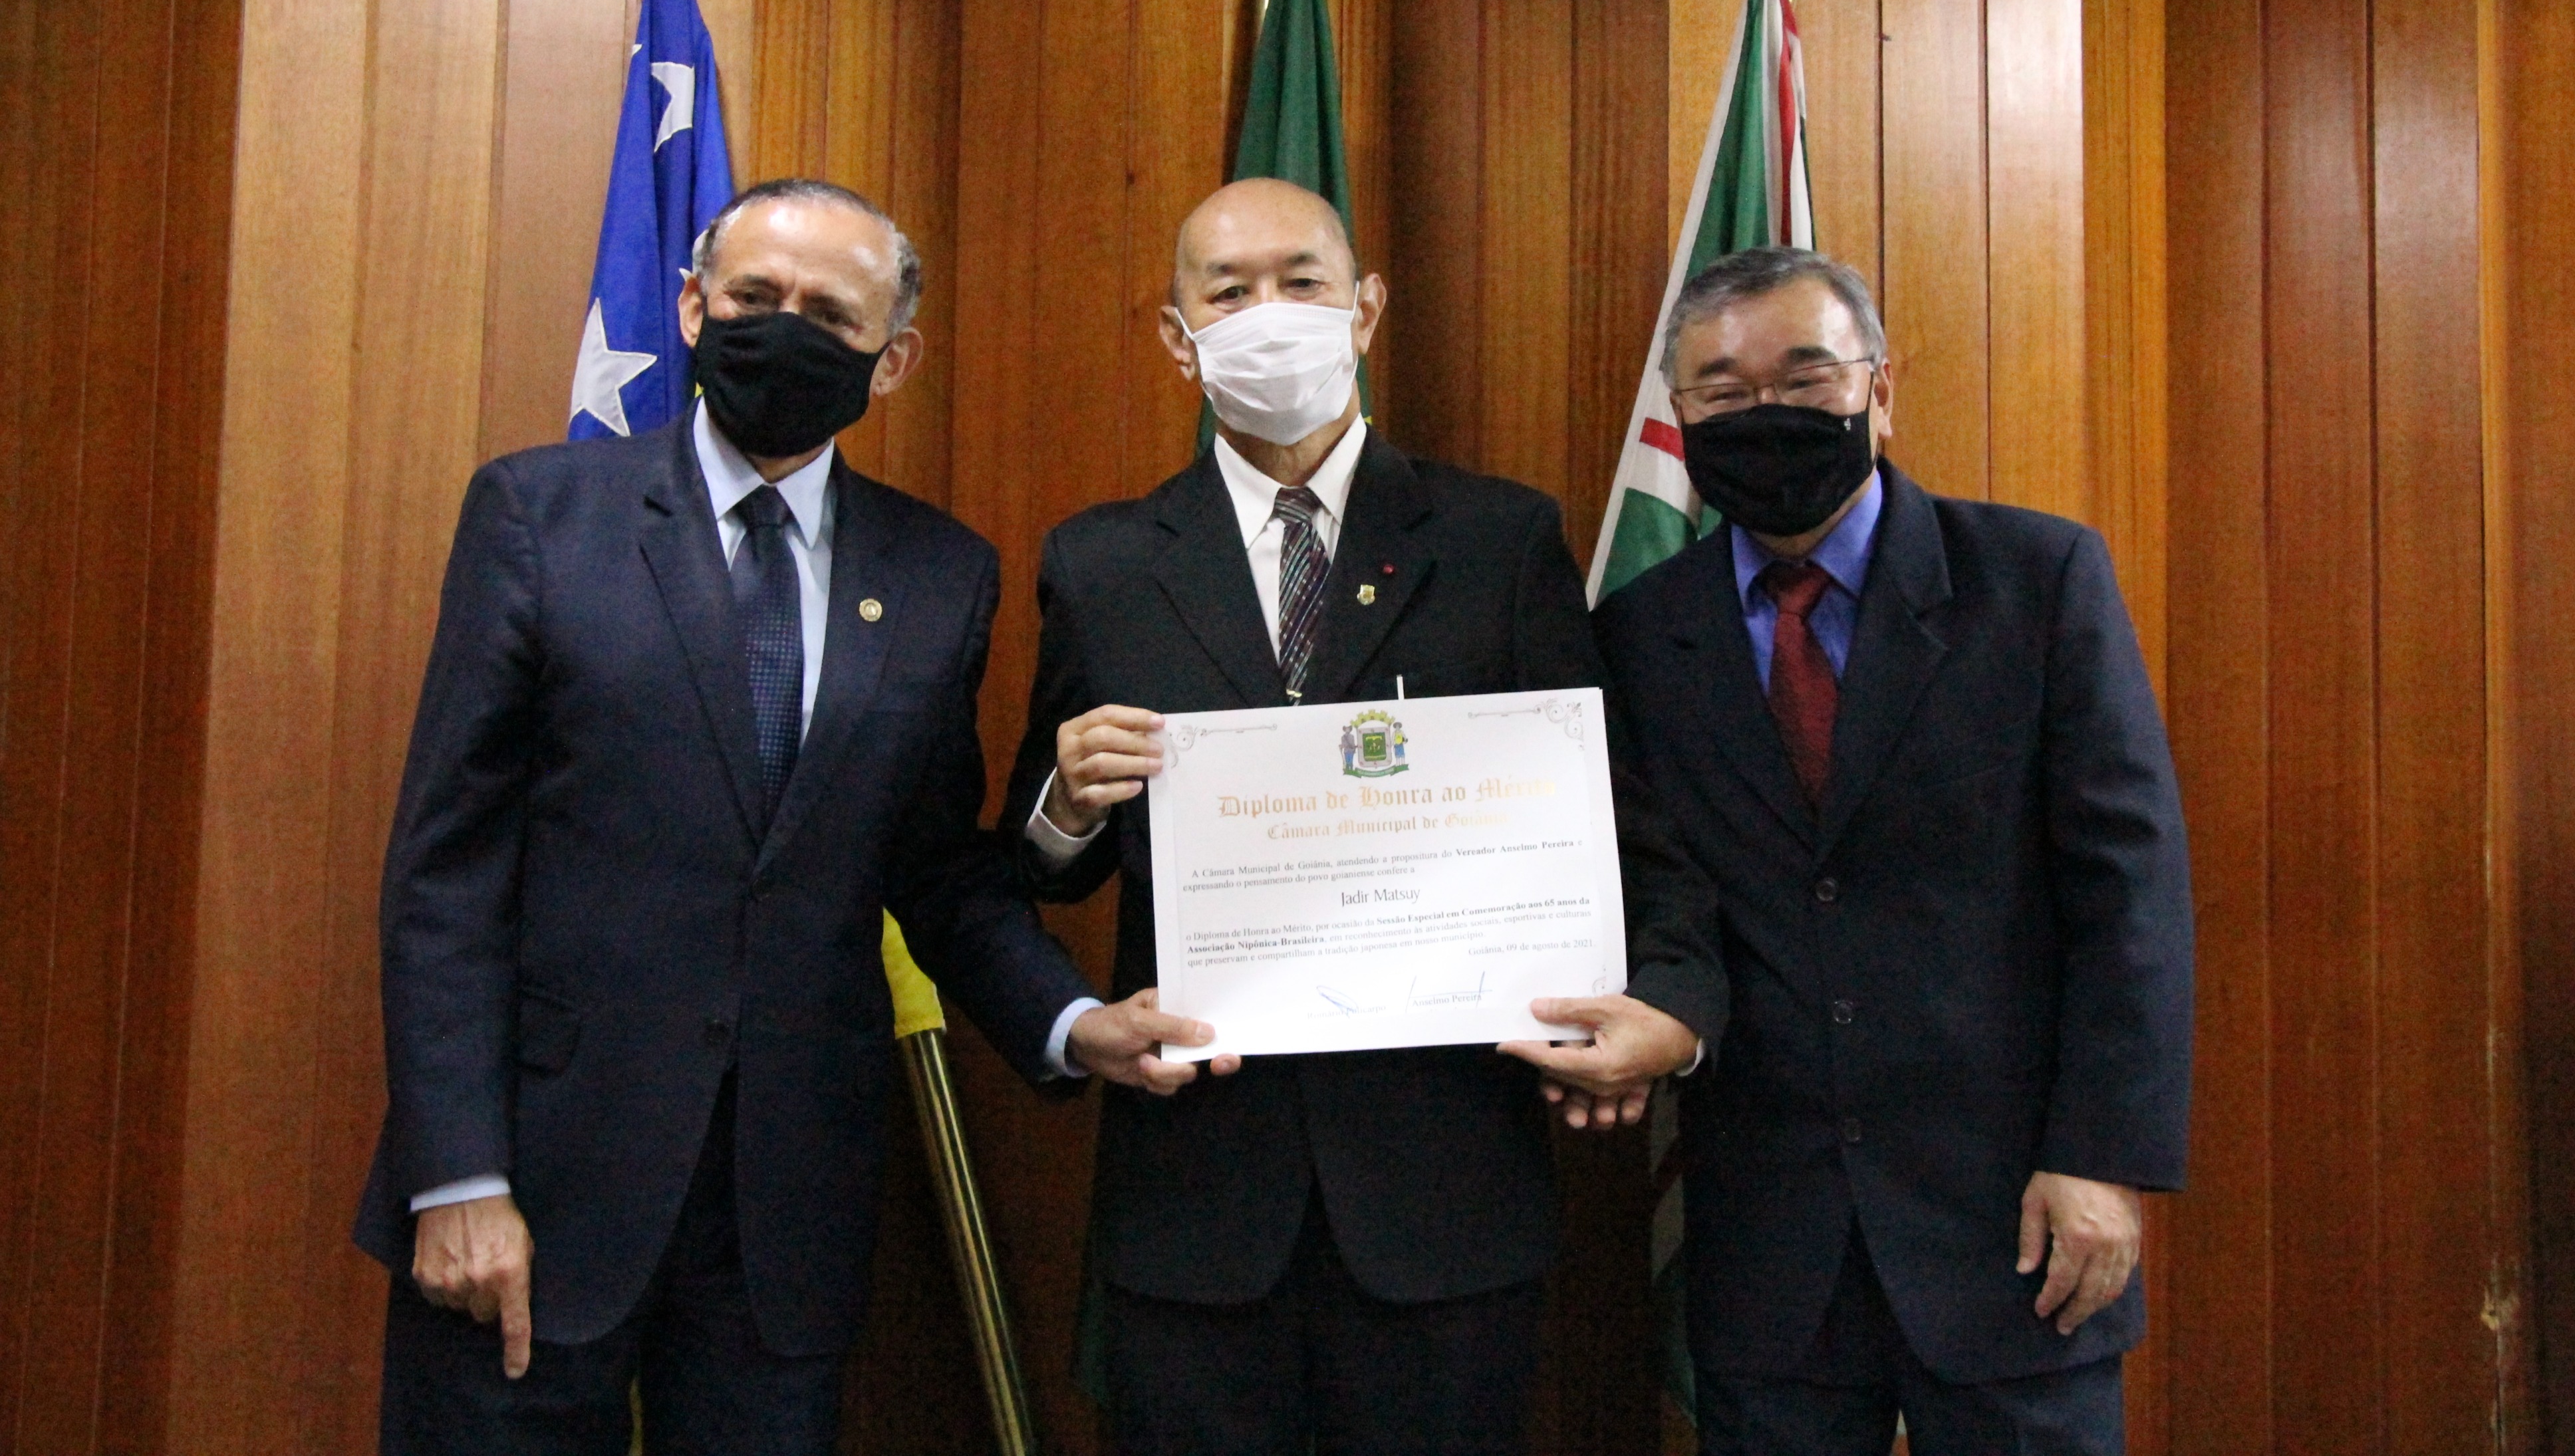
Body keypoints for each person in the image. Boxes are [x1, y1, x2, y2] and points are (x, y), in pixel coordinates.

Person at [354, 178, 1200, 1455]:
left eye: (830, 313)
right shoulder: (540, 516)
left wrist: (1072, 1022)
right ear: (694, 308)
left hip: (781, 1215)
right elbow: (446, 876)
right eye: (755, 297)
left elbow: (933, 869)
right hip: (539, 1180)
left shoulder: (938, 574)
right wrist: (458, 1173)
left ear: (891, 358)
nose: (783, 328)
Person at [1529, 247, 2193, 1455]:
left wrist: (2102, 1159)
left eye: (1805, 377)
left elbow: (2130, 894)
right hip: (1772, 1241)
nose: (1766, 412)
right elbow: (1653, 890)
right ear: (1681, 417)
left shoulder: (2037, 580)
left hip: (2019, 1219)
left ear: (1879, 390)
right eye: (1724, 392)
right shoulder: (1637, 633)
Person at [1002, 178, 1612, 1455]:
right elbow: (1041, 864)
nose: (1268, 312)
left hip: (1444, 1194)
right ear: (1178, 335)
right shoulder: (1102, 563)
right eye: (1228, 292)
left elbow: (1598, 823)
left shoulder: (1502, 541)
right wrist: (1066, 800)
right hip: (1199, 1197)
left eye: (1303, 281)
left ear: (1365, 308)